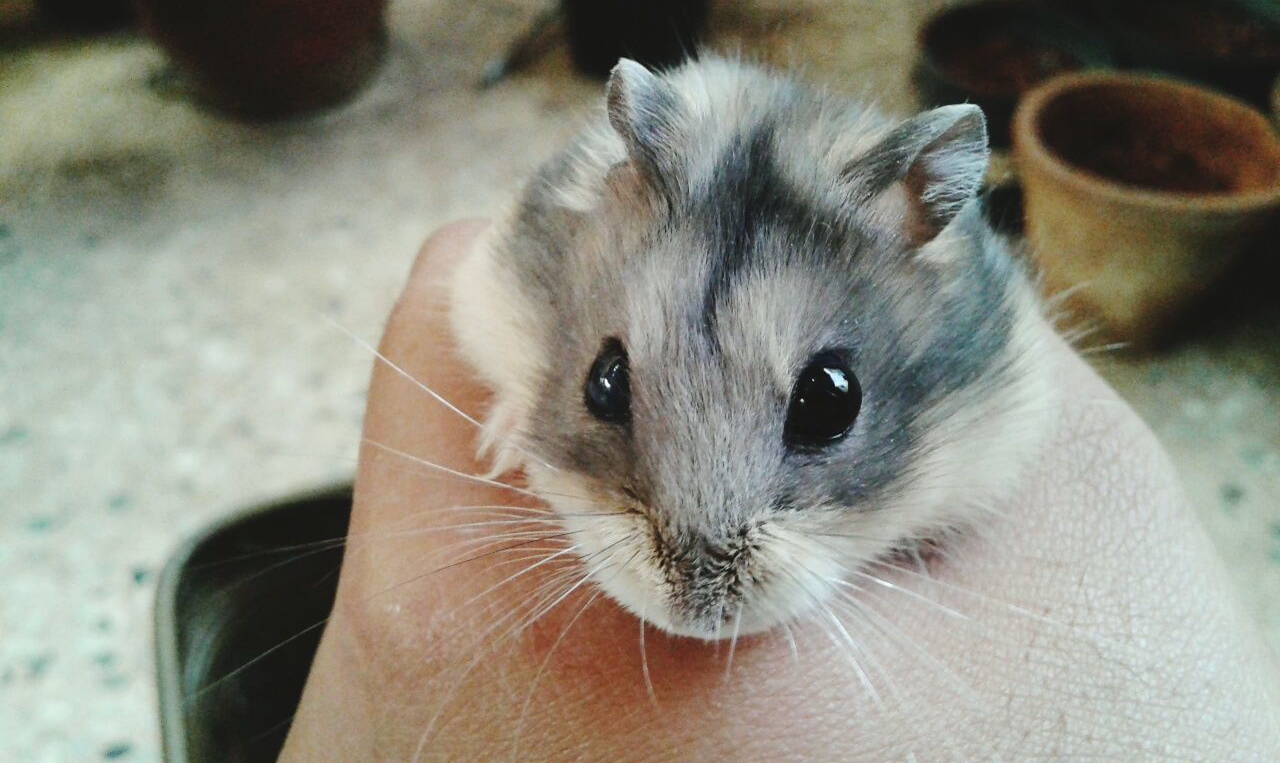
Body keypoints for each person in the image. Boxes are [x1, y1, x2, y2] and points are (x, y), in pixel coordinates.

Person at [280, 221, 1280, 761]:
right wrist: (520, 392)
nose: (695, 571)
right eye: (611, 385)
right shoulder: (570, 238)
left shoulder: (974, 354)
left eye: (823, 406)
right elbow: (486, 280)